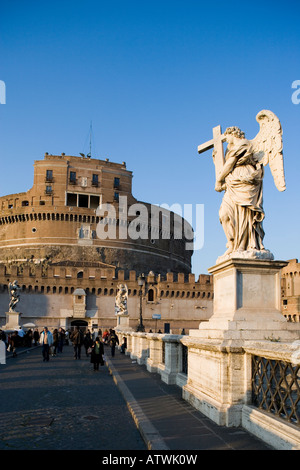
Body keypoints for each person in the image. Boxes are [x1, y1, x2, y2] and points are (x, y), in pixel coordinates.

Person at [214, 126, 265, 255]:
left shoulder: (243, 144)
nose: (226, 141)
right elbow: (226, 166)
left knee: (244, 215)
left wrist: (218, 180)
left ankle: (243, 245)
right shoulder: (231, 149)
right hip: (233, 182)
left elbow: (230, 164)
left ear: (232, 134)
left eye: (227, 138)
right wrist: (216, 161)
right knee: (224, 214)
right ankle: (232, 243)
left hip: (244, 180)